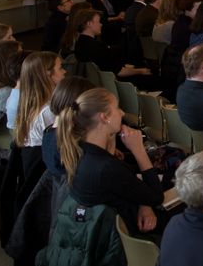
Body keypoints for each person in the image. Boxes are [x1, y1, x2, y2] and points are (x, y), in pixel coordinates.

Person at [58, 87, 164, 233]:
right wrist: (138, 150)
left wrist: (143, 203)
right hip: (118, 235)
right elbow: (156, 197)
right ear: (104, 117)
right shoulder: (105, 167)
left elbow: (130, 184)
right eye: (117, 108)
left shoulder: (79, 151)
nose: (122, 113)